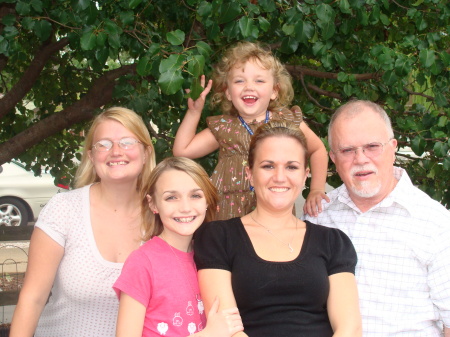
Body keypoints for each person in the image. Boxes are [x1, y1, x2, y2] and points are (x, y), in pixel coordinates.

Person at [194, 119, 362, 336]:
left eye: (291, 167)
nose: (280, 177)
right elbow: (227, 329)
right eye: (268, 166)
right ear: (249, 174)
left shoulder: (332, 242)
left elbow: (349, 328)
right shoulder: (218, 237)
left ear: (304, 175)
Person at [304, 100, 450, 336]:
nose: (360, 159)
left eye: (372, 146)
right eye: (347, 150)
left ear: (393, 147)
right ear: (333, 157)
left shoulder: (436, 224)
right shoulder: (318, 217)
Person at [10, 107, 156, 337]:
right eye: (104, 144)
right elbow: (32, 299)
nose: (116, 151)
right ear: (91, 156)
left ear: (146, 152)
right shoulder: (64, 210)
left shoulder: (162, 216)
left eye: (127, 142)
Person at [173, 41, 329, 220]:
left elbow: (318, 149)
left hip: (273, 213)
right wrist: (194, 112)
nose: (249, 86)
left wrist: (316, 189)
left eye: (259, 80)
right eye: (239, 80)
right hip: (226, 217)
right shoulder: (225, 127)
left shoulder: (286, 121)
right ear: (228, 93)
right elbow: (182, 150)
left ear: (274, 91)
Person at [114, 157, 243, 337]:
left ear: (207, 201)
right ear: (153, 204)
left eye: (195, 195)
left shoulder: (215, 258)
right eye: (171, 197)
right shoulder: (142, 262)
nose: (185, 207)